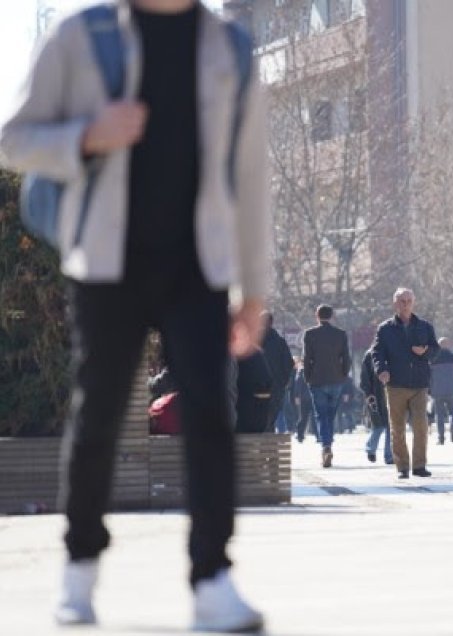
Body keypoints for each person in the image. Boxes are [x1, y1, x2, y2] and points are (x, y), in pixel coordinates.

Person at [0, 0, 270, 630]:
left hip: (197, 266)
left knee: (208, 413)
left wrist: (253, 289)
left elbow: (251, 175)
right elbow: (13, 138)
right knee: (97, 415)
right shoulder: (82, 35)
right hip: (105, 261)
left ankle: (212, 578)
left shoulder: (229, 46)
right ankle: (79, 572)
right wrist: (87, 135)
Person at [371, 287, 439, 479]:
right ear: (395, 303)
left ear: (414, 302)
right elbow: (377, 353)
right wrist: (382, 370)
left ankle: (419, 466)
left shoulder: (425, 326)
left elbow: (435, 350)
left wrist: (425, 352)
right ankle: (402, 467)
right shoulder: (385, 328)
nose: (406, 304)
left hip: (419, 383)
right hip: (395, 384)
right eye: (402, 301)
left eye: (409, 300)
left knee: (420, 425)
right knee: (397, 427)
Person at [302, 304, 351, 468]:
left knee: (321, 415)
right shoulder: (341, 334)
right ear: (332, 316)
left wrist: (307, 377)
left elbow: (307, 357)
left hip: (317, 380)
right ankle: (328, 442)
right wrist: (343, 375)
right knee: (330, 414)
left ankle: (326, 445)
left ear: (317, 316)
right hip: (336, 379)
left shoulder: (310, 334)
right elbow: (346, 357)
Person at [260, 312, 294, 434]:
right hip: (275, 386)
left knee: (259, 417)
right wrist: (282, 382)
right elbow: (289, 364)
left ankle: (263, 445)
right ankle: (270, 446)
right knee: (272, 417)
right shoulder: (280, 342)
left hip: (257, 386)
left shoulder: (253, 341)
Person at [360, 348, 393, 464]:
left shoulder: (393, 351)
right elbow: (365, 376)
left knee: (391, 426)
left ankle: (389, 455)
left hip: (392, 393)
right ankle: (370, 449)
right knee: (378, 425)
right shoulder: (370, 354)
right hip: (376, 395)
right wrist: (368, 393)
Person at [429, 337, 453, 444]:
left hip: (437, 390)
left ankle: (441, 437)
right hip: (452, 389)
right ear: (449, 345)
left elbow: (428, 376)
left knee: (439, 414)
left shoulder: (432, 358)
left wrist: (429, 390)